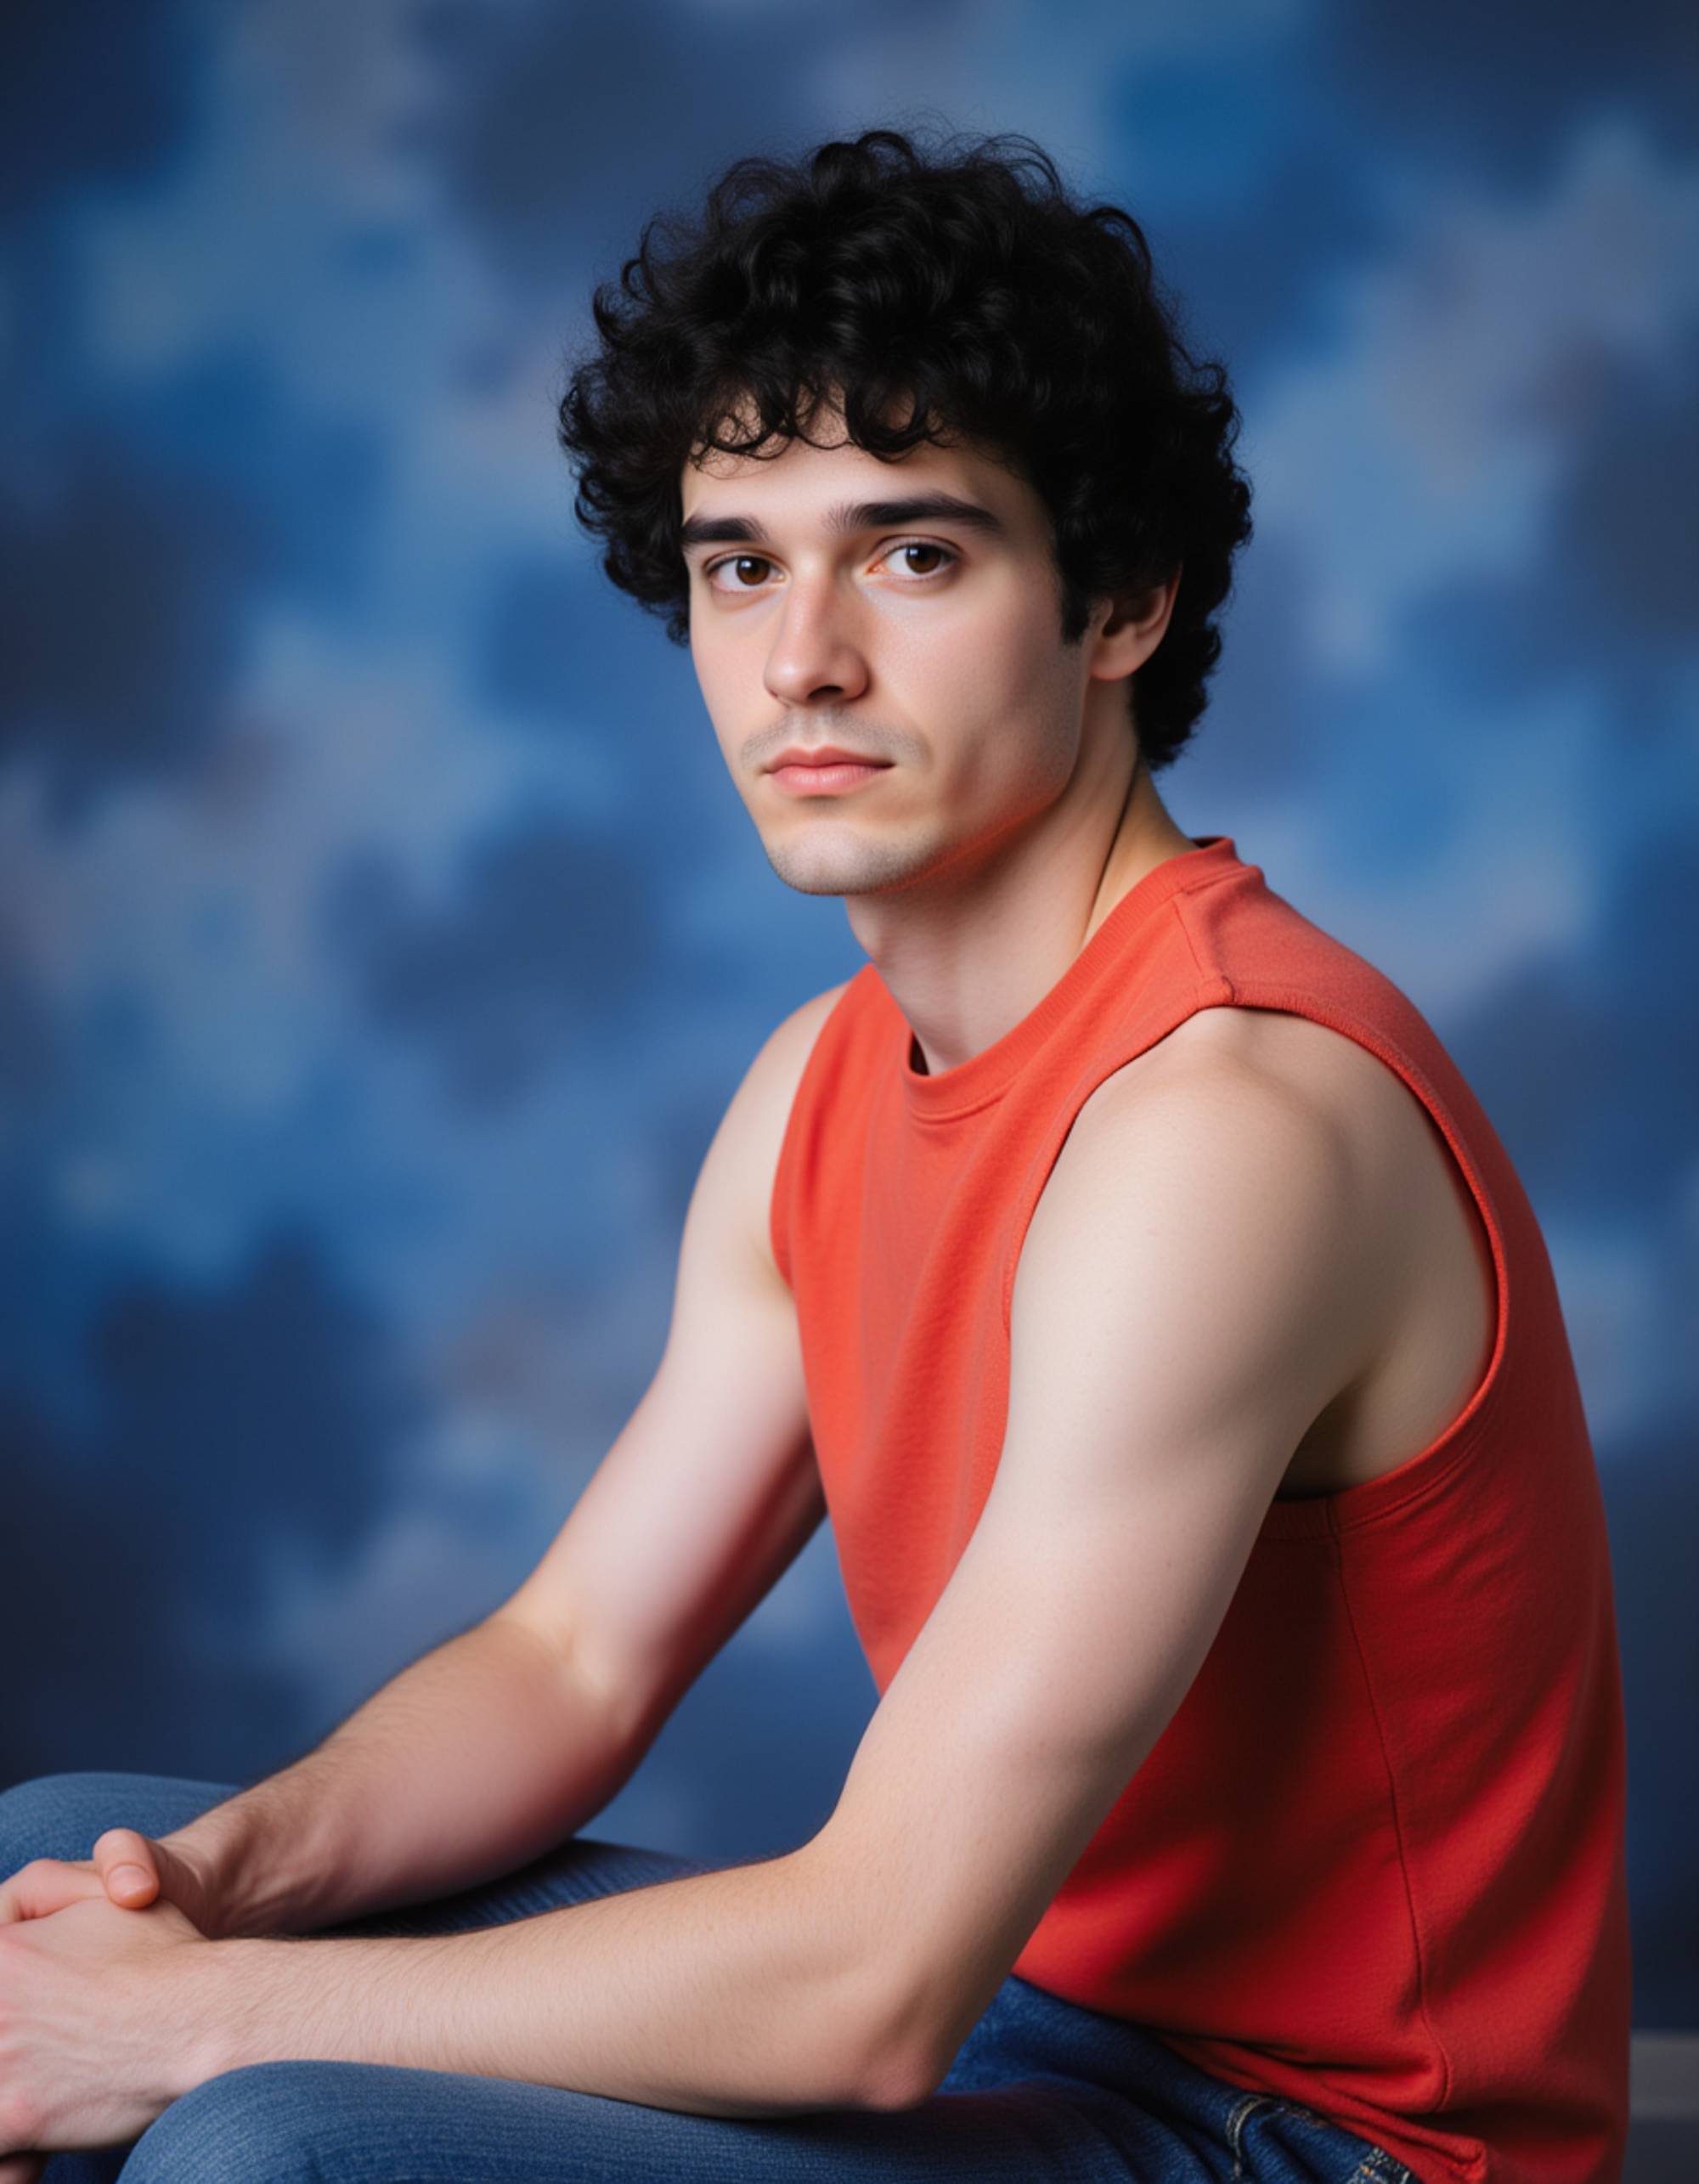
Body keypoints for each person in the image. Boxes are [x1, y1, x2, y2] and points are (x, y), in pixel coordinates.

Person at [0, 127, 1629, 2184]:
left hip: (1304, 2138)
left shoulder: (1230, 1123)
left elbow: (869, 1983)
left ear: (1119, 598)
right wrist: (218, 1887)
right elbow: (571, 1660)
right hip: (1015, 2029)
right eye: (740, 561)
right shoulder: (821, 1080)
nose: (801, 664)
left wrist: (193, 2022)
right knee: (61, 1857)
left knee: (265, 2136)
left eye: (914, 552)